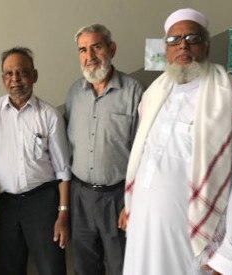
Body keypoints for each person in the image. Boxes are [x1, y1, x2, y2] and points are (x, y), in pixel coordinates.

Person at [122, 8, 232, 275]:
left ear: (207, 46)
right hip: (142, 233)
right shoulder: (153, 94)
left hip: (192, 245)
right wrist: (129, 203)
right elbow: (145, 160)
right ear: (165, 49)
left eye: (193, 38)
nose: (183, 46)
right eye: (174, 40)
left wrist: (230, 256)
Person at [0, 47, 71, 275]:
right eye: (9, 74)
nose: (15, 79)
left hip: (43, 203)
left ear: (34, 75)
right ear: (2, 79)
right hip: (7, 204)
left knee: (52, 268)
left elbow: (63, 171)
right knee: (9, 269)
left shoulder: (49, 115)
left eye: (22, 72)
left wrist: (63, 214)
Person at [65, 24, 144, 275]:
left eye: (96, 47)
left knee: (122, 265)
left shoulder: (134, 92)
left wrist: (132, 202)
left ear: (111, 49)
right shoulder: (74, 93)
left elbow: (144, 152)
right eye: (83, 50)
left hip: (118, 198)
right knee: (84, 266)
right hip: (81, 197)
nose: (89, 56)